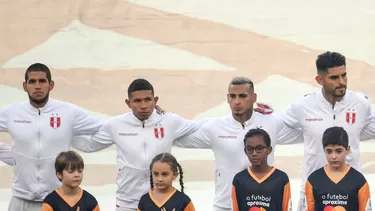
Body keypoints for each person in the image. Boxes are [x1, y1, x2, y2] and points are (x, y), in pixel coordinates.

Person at [71, 78, 209, 211]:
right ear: (128, 102)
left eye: (148, 100)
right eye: (137, 101)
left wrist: (227, 126)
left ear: (155, 100)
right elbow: (89, 145)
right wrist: (63, 134)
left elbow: (198, 126)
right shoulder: (116, 125)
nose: (143, 106)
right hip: (127, 200)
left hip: (159, 198)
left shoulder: (169, 121)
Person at [261, 51, 374, 211]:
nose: (341, 82)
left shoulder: (360, 104)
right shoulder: (303, 106)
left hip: (352, 191)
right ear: (319, 80)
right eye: (334, 78)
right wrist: (260, 118)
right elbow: (278, 127)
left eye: (344, 75)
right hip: (313, 190)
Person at [174, 76, 303, 211]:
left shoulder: (271, 123)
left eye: (242, 96)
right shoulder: (215, 127)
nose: (237, 101)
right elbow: (174, 137)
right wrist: (159, 119)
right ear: (228, 98)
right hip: (225, 205)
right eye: (233, 96)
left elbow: (308, 133)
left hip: (263, 204)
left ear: (254, 97)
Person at [0, 63, 105, 211]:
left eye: (42, 81)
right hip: (20, 200)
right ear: (25, 86)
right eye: (32, 82)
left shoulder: (68, 112)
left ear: (51, 85)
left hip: (56, 201)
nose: (37, 86)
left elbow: (103, 126)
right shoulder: (12, 113)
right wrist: (13, 157)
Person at [305, 127, 372, 211]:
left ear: (348, 150)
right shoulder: (313, 180)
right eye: (329, 151)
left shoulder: (359, 181)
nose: (334, 156)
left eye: (339, 151)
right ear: (324, 150)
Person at [232, 128, 291, 211]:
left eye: (259, 149)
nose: (254, 153)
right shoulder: (239, 179)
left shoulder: (281, 178)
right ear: (245, 151)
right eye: (250, 149)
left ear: (269, 150)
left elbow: (286, 208)